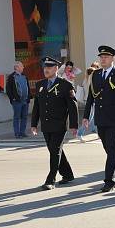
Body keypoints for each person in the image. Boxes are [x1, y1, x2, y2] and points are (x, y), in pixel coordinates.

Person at [83, 45, 115, 192]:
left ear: (112, 59)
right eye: (101, 57)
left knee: (112, 149)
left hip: (114, 118)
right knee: (108, 148)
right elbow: (91, 97)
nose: (103, 59)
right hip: (100, 118)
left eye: (106, 57)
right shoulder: (96, 74)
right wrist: (86, 116)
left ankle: (109, 180)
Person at [31, 57, 78, 190]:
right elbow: (37, 107)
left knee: (54, 151)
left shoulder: (65, 85)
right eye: (45, 67)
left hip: (59, 124)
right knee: (54, 150)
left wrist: (74, 125)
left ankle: (50, 179)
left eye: (49, 67)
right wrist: (34, 124)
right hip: (46, 125)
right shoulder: (40, 84)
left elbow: (72, 107)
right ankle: (67, 174)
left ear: (56, 69)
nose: (46, 69)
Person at [6, 61, 30, 138]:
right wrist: (12, 98)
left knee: (24, 117)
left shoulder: (24, 76)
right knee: (17, 117)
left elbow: (27, 87)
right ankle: (17, 133)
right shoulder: (11, 77)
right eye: (21, 66)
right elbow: (8, 89)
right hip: (17, 101)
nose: (23, 67)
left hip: (25, 100)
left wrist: (28, 97)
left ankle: (22, 132)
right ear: (16, 67)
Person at [76, 62, 100, 141]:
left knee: (93, 118)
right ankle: (79, 133)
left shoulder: (85, 79)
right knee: (89, 118)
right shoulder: (92, 79)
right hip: (91, 101)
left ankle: (97, 131)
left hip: (87, 100)